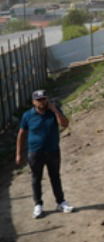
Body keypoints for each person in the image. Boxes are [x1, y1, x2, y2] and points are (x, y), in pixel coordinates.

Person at [16, 90, 73, 219]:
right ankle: (38, 205)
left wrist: (55, 110)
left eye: (43, 99)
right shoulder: (27, 115)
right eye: (39, 100)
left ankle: (61, 202)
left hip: (52, 151)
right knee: (36, 178)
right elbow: (21, 134)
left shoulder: (52, 112)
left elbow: (64, 124)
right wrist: (18, 154)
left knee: (55, 177)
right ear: (33, 102)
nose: (42, 102)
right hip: (35, 152)